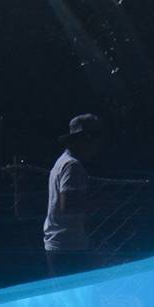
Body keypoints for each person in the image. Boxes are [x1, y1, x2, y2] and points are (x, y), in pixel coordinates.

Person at [43, 113, 103, 278]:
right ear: (86, 138)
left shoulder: (62, 161)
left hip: (60, 244)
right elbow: (68, 205)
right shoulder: (72, 166)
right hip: (68, 247)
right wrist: (100, 204)